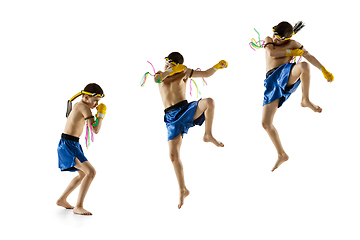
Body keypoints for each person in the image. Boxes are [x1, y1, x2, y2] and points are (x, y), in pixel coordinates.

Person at [154, 52, 227, 209]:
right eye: (166, 63)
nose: (167, 66)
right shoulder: (161, 74)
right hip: (171, 117)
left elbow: (206, 73)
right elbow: (157, 79)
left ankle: (208, 134)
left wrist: (217, 67)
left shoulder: (184, 72)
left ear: (178, 65)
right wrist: (168, 71)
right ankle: (182, 189)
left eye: (171, 64)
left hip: (186, 108)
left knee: (209, 102)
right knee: (173, 156)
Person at [262, 21, 334, 172]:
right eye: (276, 36)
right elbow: (271, 53)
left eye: (280, 39)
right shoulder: (269, 40)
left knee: (304, 66)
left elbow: (309, 56)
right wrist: (291, 53)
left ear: (288, 38)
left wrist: (323, 70)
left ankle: (305, 99)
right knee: (266, 123)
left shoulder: (294, 43)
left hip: (286, 74)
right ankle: (281, 154)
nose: (276, 40)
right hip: (272, 81)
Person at [56, 83, 107, 215]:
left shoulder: (79, 105)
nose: (96, 104)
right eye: (95, 100)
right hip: (68, 144)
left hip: (72, 144)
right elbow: (95, 130)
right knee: (91, 172)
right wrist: (101, 115)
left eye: (98, 102)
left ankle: (62, 199)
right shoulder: (84, 107)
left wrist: (97, 116)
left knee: (83, 174)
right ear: (85, 97)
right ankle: (78, 206)